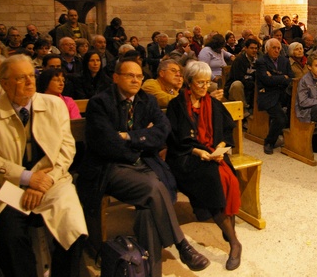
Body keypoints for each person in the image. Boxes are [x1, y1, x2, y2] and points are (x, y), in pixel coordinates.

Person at [76, 59, 210, 276]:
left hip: (141, 164)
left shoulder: (146, 100)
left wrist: (129, 136)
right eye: (130, 75)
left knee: (149, 206)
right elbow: (105, 143)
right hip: (109, 167)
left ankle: (151, 271)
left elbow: (162, 131)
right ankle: (181, 245)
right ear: (116, 77)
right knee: (153, 186)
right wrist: (140, 144)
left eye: (139, 76)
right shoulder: (100, 103)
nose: (136, 80)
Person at [0, 54, 87, 277]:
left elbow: (66, 149)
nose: (29, 82)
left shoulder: (55, 104)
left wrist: (45, 181)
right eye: (20, 78)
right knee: (10, 236)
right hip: (6, 185)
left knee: (74, 231)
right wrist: (26, 178)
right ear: (4, 83)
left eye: (31, 76)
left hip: (52, 180)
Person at [166, 61, 242, 270]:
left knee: (229, 178)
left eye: (208, 83)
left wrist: (221, 146)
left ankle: (230, 233)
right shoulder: (177, 105)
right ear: (190, 82)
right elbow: (174, 140)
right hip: (186, 156)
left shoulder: (214, 104)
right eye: (200, 82)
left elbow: (227, 131)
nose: (205, 87)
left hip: (213, 153)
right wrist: (199, 151)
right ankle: (234, 243)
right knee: (212, 179)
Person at [255, 38, 294, 155]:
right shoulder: (261, 62)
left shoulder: (284, 61)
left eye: (278, 48)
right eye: (274, 48)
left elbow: (291, 78)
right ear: (267, 49)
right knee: (281, 118)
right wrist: (283, 77)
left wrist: (274, 77)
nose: (277, 50)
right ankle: (269, 142)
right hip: (267, 95)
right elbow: (266, 80)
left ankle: (290, 139)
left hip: (283, 94)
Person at [224, 38, 259, 116]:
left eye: (256, 48)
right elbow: (238, 78)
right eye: (251, 48)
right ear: (246, 49)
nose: (254, 50)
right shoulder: (239, 60)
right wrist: (252, 84)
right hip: (234, 90)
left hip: (250, 88)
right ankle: (243, 109)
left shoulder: (257, 61)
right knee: (237, 84)